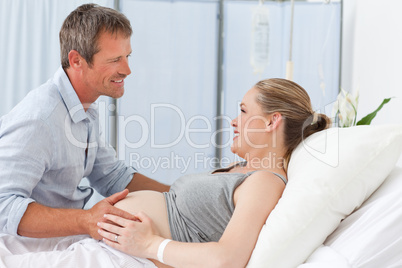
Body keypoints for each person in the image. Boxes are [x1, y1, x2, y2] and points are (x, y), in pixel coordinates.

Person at [97, 78, 331, 267]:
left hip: (128, 257)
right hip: (112, 250)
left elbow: (226, 259)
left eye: (243, 111)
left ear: (272, 122)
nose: (233, 121)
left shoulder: (265, 182)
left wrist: (149, 244)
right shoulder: (242, 172)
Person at [0, 4, 168, 240]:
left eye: (127, 56)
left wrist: (180, 198)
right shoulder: (40, 118)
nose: (127, 69)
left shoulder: (83, 109)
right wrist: (87, 220)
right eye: (115, 59)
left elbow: (112, 177)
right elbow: (3, 206)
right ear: (77, 60)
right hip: (28, 248)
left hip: (64, 241)